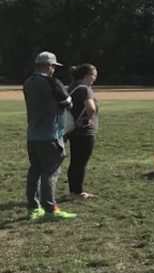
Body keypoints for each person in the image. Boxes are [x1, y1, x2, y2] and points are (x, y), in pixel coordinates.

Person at [23, 51, 77, 220]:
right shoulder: (52, 82)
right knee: (50, 173)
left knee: (35, 170)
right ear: (49, 66)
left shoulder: (28, 82)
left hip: (33, 135)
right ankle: (50, 209)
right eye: (53, 66)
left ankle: (33, 207)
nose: (54, 69)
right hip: (51, 136)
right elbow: (68, 103)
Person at [66, 63, 100, 200]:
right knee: (81, 162)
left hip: (73, 130)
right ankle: (77, 192)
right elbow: (90, 108)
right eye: (94, 76)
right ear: (87, 76)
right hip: (84, 132)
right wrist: (89, 120)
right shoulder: (85, 89)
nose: (95, 79)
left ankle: (73, 190)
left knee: (75, 161)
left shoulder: (71, 88)